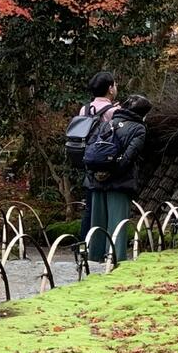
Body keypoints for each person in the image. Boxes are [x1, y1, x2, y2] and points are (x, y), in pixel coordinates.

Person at [84, 93, 151, 262]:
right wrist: (113, 172)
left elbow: (90, 148)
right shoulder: (139, 128)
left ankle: (94, 256)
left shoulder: (106, 124)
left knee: (97, 222)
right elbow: (130, 156)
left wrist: (98, 173)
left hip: (97, 180)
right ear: (143, 113)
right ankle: (114, 257)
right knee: (118, 222)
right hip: (121, 181)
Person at [68, 71, 120, 245]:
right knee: (107, 206)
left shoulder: (85, 108)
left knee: (90, 206)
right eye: (114, 85)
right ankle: (105, 245)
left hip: (89, 160)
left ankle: (83, 243)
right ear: (110, 89)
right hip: (107, 162)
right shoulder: (114, 111)